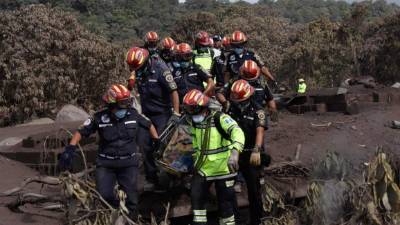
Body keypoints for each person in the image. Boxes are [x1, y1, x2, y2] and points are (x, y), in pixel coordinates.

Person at [58, 84, 159, 220]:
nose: (125, 107)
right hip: (106, 164)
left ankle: (131, 220)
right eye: (121, 104)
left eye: (126, 102)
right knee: (104, 196)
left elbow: (149, 124)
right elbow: (81, 132)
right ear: (111, 104)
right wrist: (70, 149)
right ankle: (112, 216)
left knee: (132, 200)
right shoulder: (99, 117)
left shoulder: (134, 114)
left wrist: (156, 141)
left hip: (128, 163)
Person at [183, 89, 245, 225]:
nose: (190, 112)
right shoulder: (194, 122)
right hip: (203, 169)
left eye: (192, 109)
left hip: (224, 168)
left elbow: (237, 132)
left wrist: (235, 153)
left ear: (203, 107)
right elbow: (195, 144)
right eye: (188, 108)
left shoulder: (220, 118)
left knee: (226, 204)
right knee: (196, 198)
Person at [126, 47, 180, 190]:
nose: (135, 70)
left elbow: (173, 91)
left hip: (163, 113)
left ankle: (172, 176)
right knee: (144, 144)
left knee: (162, 145)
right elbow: (131, 84)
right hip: (146, 114)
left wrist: (176, 113)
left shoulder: (161, 69)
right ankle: (152, 178)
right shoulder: (137, 70)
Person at [227, 79, 268, 225]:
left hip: (251, 153)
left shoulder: (258, 111)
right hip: (235, 153)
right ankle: (236, 219)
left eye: (241, 100)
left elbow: (260, 131)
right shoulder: (231, 109)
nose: (238, 103)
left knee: (254, 190)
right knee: (227, 189)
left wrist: (257, 149)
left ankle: (257, 220)